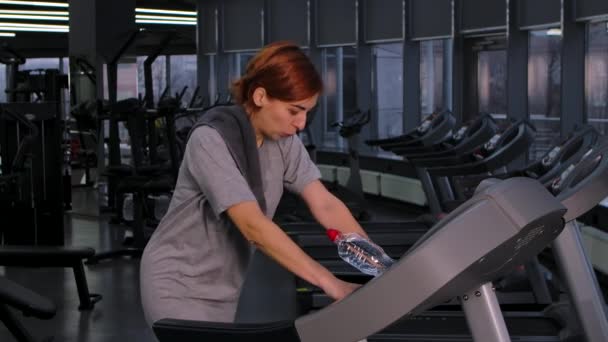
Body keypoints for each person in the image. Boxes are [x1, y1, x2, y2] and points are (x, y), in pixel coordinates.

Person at [140, 41, 369, 327]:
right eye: (294, 110)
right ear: (261, 96)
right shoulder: (211, 139)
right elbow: (253, 226)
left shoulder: (285, 142)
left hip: (226, 286)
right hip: (178, 282)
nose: (301, 123)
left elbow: (324, 204)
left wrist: (376, 263)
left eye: (307, 112)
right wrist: (330, 282)